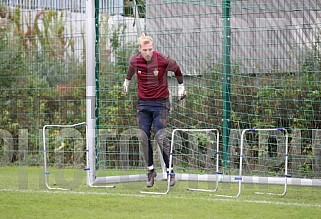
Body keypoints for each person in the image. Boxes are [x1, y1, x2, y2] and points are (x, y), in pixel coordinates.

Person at [123, 33, 186, 188]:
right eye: (145, 50)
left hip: (161, 103)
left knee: (159, 134)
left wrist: (181, 87)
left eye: (150, 49)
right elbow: (131, 70)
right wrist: (126, 82)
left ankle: (170, 171)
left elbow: (177, 68)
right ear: (140, 49)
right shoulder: (135, 61)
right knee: (143, 136)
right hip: (143, 104)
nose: (148, 52)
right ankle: (151, 171)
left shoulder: (163, 59)